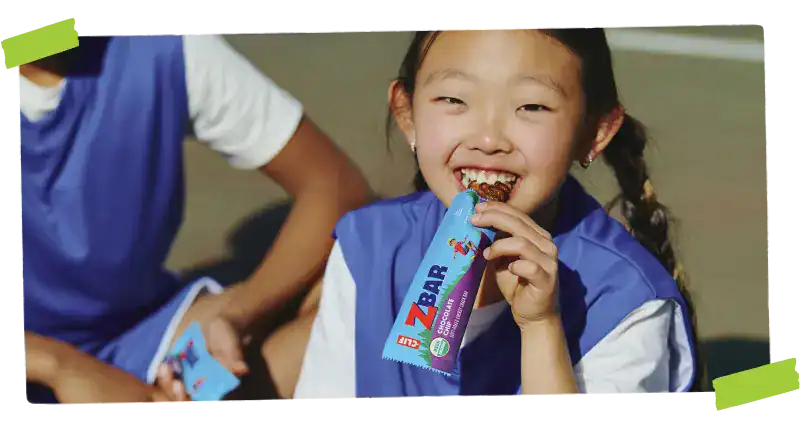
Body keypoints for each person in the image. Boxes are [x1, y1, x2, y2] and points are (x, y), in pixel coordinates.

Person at [290, 25, 701, 400]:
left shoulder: (624, 298)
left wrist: (541, 328)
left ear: (593, 132)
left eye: (532, 107)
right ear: (407, 113)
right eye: (453, 99)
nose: (488, 140)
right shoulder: (368, 248)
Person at [19, 30, 370, 406]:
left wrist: (240, 315)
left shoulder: (161, 47)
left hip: (144, 330)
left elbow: (333, 185)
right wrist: (56, 365)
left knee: (369, 281)